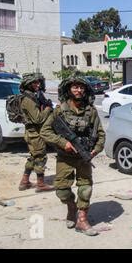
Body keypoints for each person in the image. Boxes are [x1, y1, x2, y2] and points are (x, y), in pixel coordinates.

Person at [41, 75, 105, 236]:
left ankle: (82, 220)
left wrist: (95, 149)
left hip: (84, 157)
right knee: (61, 190)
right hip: (65, 157)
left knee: (85, 189)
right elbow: (45, 131)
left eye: (81, 87)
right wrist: (64, 143)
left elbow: (101, 134)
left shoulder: (91, 111)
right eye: (75, 87)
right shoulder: (60, 110)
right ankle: (71, 207)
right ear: (69, 89)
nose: (78, 90)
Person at [18, 73, 54, 192]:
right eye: (34, 83)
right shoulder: (28, 100)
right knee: (40, 157)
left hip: (33, 133)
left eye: (38, 82)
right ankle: (40, 184)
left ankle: (25, 181)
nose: (37, 84)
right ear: (28, 84)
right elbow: (37, 119)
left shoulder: (32, 96)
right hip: (34, 134)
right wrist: (48, 109)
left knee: (33, 157)